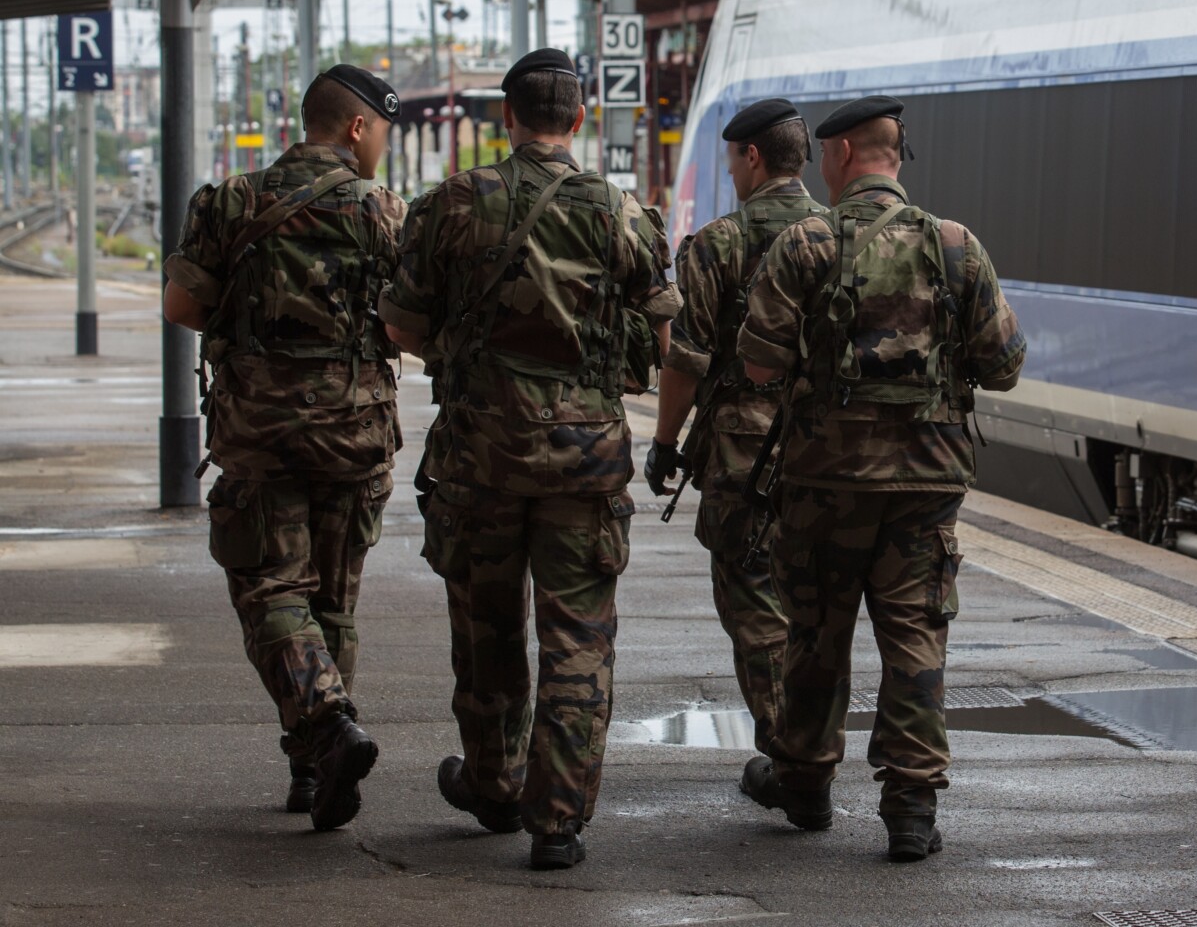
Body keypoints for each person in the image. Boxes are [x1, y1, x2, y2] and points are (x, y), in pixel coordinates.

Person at [378, 48, 680, 871]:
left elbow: (400, 326)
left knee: (486, 628)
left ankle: (494, 783)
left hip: (480, 452)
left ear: (505, 118)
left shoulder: (452, 203)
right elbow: (665, 338)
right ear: (578, 121)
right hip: (587, 460)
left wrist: (462, 349)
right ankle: (560, 820)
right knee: (578, 637)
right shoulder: (622, 213)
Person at [732, 94, 1026, 862]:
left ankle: (803, 782)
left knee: (815, 634)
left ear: (838, 156)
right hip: (925, 485)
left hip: (824, 481)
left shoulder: (803, 245)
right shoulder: (958, 247)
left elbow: (758, 363)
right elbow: (1005, 368)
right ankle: (911, 805)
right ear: (896, 158)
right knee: (915, 637)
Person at [161, 63, 405, 832]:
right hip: (355, 433)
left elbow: (181, 305)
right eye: (383, 132)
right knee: (332, 600)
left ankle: (326, 730)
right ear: (358, 127)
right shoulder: (386, 211)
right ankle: (313, 767)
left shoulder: (231, 201)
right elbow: (411, 326)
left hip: (259, 434)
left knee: (271, 591)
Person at [645, 98, 824, 768]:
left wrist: (664, 444)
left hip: (744, 458)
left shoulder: (720, 242)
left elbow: (684, 359)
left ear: (752, 157)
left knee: (753, 602)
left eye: (732, 161)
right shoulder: (844, 235)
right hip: (829, 452)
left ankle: (792, 758)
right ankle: (813, 746)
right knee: (814, 609)